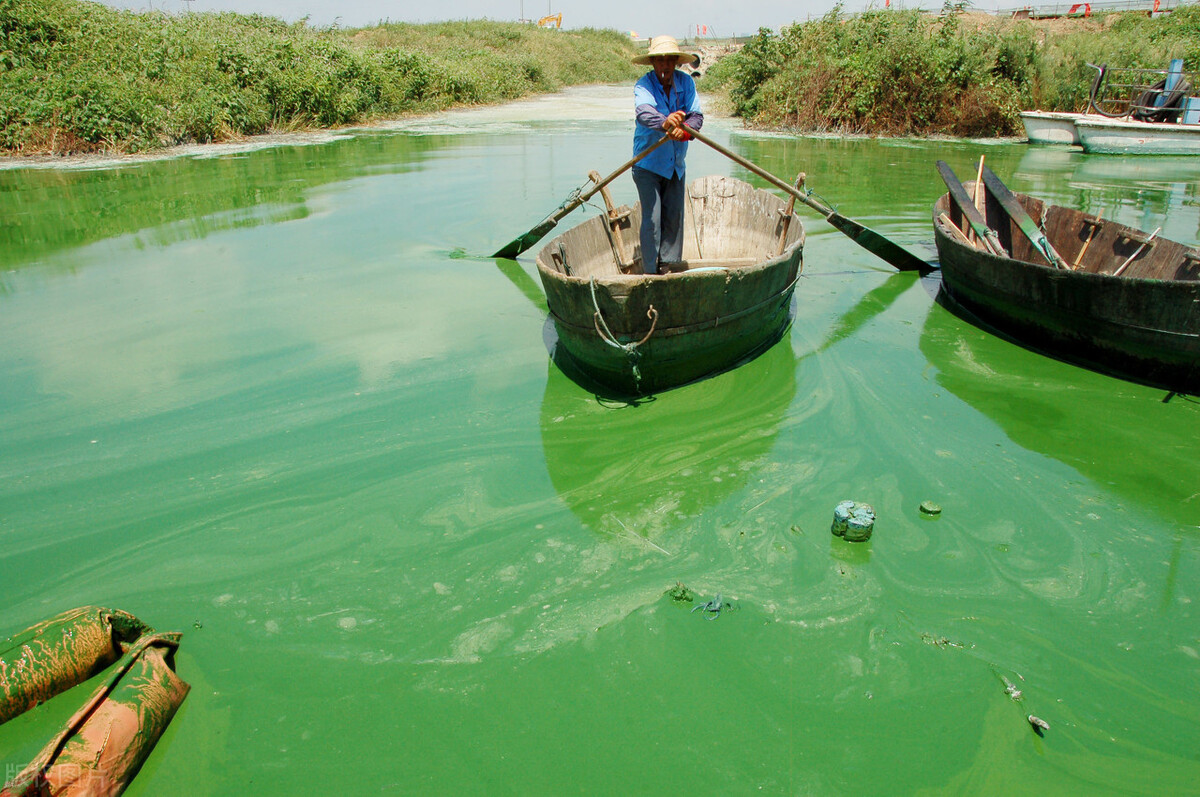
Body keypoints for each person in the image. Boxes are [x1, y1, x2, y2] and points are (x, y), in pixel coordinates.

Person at [631, 36, 704, 275]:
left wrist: (683, 131)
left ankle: (669, 267)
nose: (665, 66)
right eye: (660, 61)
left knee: (673, 218)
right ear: (653, 63)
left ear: (676, 62)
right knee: (652, 220)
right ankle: (651, 273)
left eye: (669, 60)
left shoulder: (686, 83)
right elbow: (644, 114)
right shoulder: (644, 85)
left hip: (675, 164)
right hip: (648, 164)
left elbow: (696, 117)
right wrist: (666, 122)